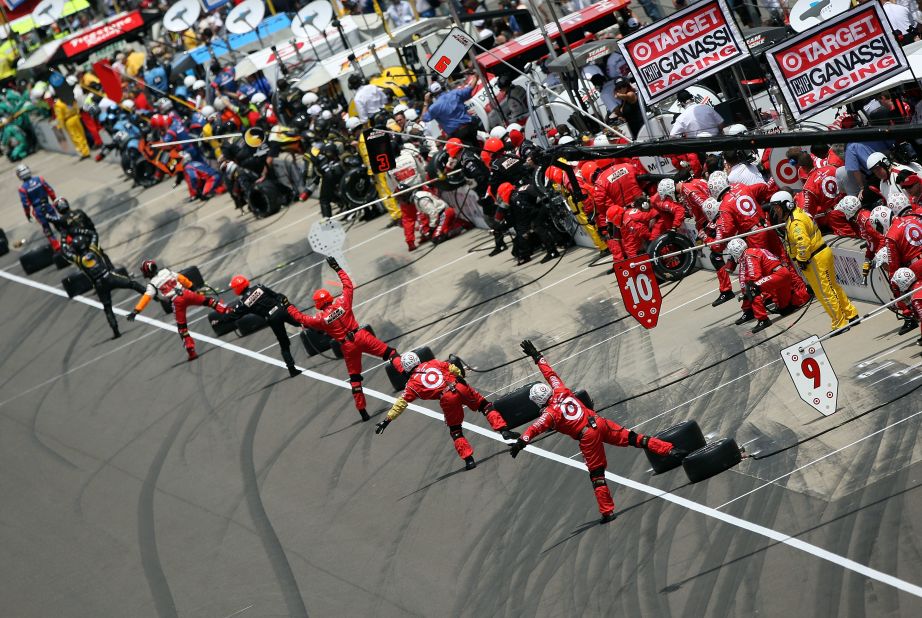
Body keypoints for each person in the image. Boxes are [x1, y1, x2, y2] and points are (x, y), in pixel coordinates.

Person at [508, 340, 683, 524]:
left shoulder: (550, 414)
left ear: (537, 401)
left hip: (587, 436)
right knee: (635, 438)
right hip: (599, 422)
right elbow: (549, 373)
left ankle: (608, 512)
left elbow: (534, 428)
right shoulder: (560, 389)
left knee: (597, 474)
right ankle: (670, 450)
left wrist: (521, 442)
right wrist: (536, 356)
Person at [286, 256, 404, 422]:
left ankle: (362, 410)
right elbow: (348, 285)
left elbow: (302, 319)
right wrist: (337, 268)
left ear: (318, 304)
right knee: (391, 353)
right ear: (328, 297)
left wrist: (288, 306)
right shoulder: (343, 302)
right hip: (361, 335)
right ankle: (407, 376)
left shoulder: (320, 319)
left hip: (347, 346)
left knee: (355, 378)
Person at [374, 352, 520, 470]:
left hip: (446, 398)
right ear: (418, 359)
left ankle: (469, 460)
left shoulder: (411, 385)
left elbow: (400, 404)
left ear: (405, 368)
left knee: (455, 430)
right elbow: (453, 368)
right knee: (485, 406)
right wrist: (460, 377)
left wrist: (387, 420)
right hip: (459, 386)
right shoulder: (433, 362)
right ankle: (503, 431)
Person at [768, 191, 858, 331]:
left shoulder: (795, 222)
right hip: (820, 254)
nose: (776, 211)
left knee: (824, 292)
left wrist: (801, 259)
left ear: (787, 205)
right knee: (832, 287)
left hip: (814, 259)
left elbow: (802, 243)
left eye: (777, 208)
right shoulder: (798, 214)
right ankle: (850, 313)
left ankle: (839, 323)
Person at [127, 260, 229, 361]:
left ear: (147, 272)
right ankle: (228, 311)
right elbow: (182, 278)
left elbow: (146, 298)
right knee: (209, 301)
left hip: (176, 302)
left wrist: (136, 311)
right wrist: (193, 288)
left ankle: (191, 351)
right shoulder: (166, 271)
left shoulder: (151, 285)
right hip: (186, 293)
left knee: (182, 328)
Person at [61, 234, 145, 339]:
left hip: (99, 284)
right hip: (109, 276)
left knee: (107, 307)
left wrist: (63, 239)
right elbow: (94, 235)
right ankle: (154, 295)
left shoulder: (78, 259)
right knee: (133, 284)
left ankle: (116, 330)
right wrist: (80, 231)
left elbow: (64, 252)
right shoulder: (93, 248)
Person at [726, 238, 810, 333]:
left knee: (752, 288)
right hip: (782, 275)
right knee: (785, 310)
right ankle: (808, 292)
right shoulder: (753, 251)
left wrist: (750, 292)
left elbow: (754, 277)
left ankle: (763, 320)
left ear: (735, 251)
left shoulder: (748, 256)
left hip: (779, 276)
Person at [226, 275, 302, 377]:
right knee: (302, 322)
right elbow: (277, 295)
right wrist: (287, 304)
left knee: (284, 344)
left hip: (273, 319)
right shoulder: (259, 287)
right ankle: (323, 331)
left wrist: (225, 312)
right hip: (281, 310)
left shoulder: (243, 303)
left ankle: (292, 369)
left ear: (237, 288)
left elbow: (233, 316)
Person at [18, 164, 61, 251]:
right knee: (58, 223)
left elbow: (25, 204)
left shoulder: (22, 189)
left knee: (46, 228)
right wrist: (55, 201)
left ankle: (56, 245)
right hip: (48, 206)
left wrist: (27, 215)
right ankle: (68, 239)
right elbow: (50, 191)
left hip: (38, 210)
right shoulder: (39, 179)